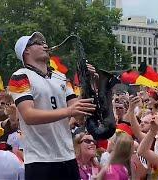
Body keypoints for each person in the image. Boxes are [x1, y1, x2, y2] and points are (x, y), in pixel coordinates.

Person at [9, 32, 96, 179]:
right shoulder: (20, 76)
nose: (45, 44)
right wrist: (68, 111)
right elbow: (29, 115)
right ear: (26, 51)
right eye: (38, 42)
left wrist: (88, 83)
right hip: (39, 160)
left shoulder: (61, 77)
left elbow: (79, 115)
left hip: (67, 156)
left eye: (45, 41)